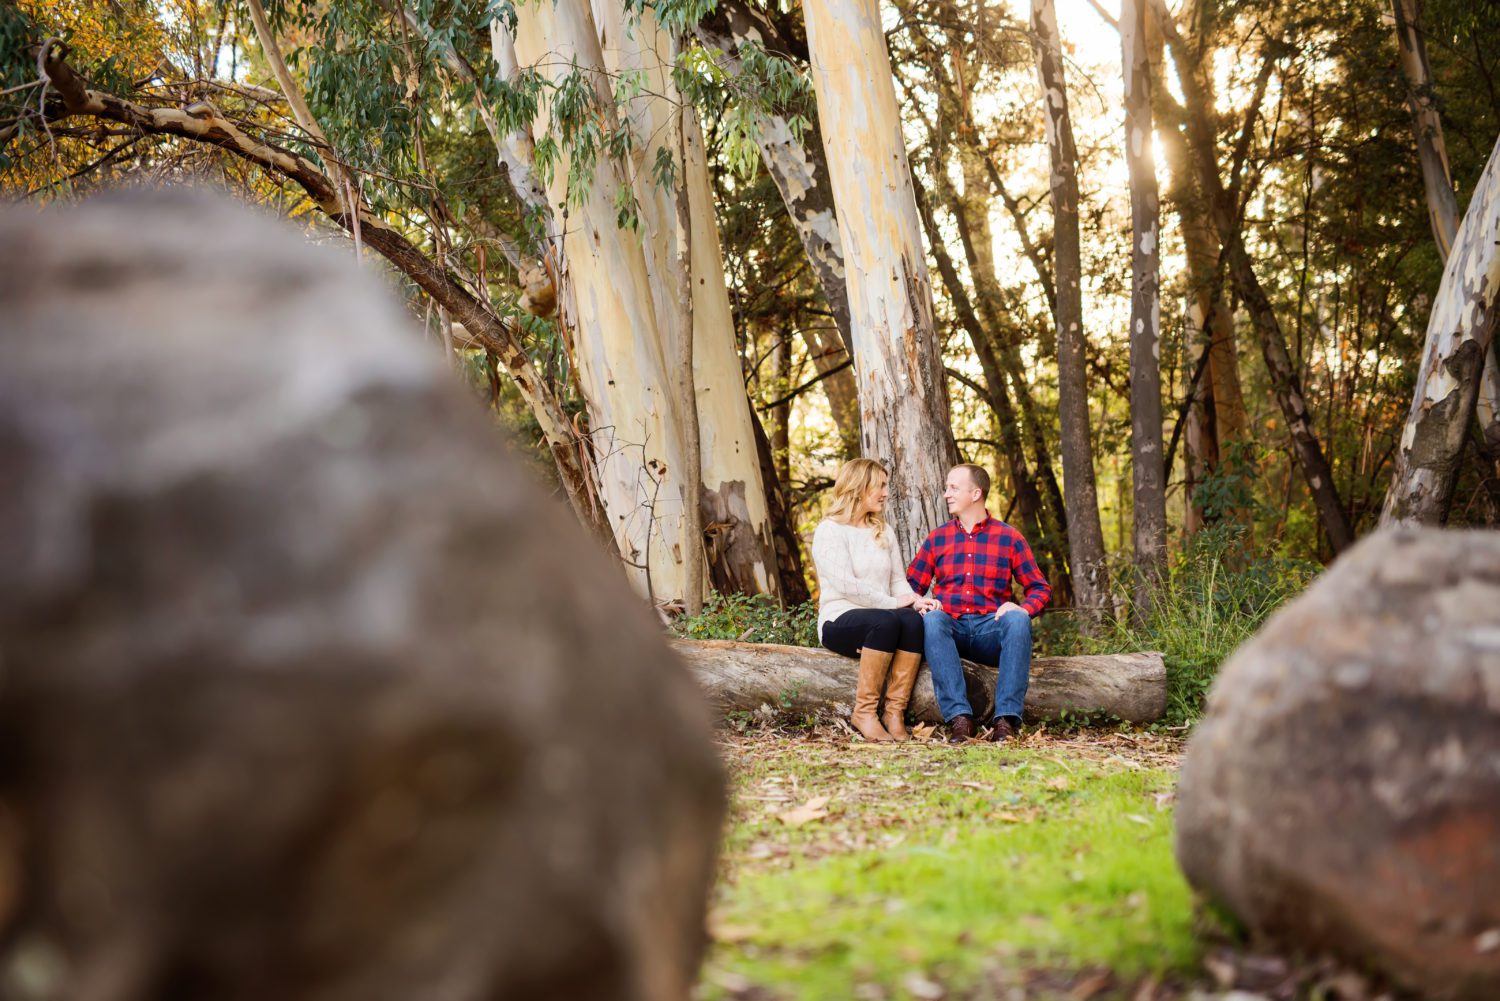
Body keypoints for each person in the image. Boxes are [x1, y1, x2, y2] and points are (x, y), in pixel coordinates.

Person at [907, 463, 1051, 744]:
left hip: (991, 632)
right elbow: (911, 588)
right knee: (933, 619)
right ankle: (960, 719)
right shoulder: (937, 539)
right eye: (947, 488)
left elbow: (1040, 588)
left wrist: (1023, 608)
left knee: (1018, 618)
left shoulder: (1009, 538)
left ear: (976, 494)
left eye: (953, 488)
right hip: (952, 632)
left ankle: (1005, 720)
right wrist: (918, 602)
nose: (946, 494)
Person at [811, 459, 940, 742]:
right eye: (880, 486)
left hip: (883, 618)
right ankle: (865, 712)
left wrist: (915, 601)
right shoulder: (830, 530)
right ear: (859, 486)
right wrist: (894, 603)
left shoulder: (883, 531)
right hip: (839, 618)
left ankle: (894, 712)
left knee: (912, 621)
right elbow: (847, 586)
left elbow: (896, 582)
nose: (885, 493)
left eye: (886, 486)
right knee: (886, 621)